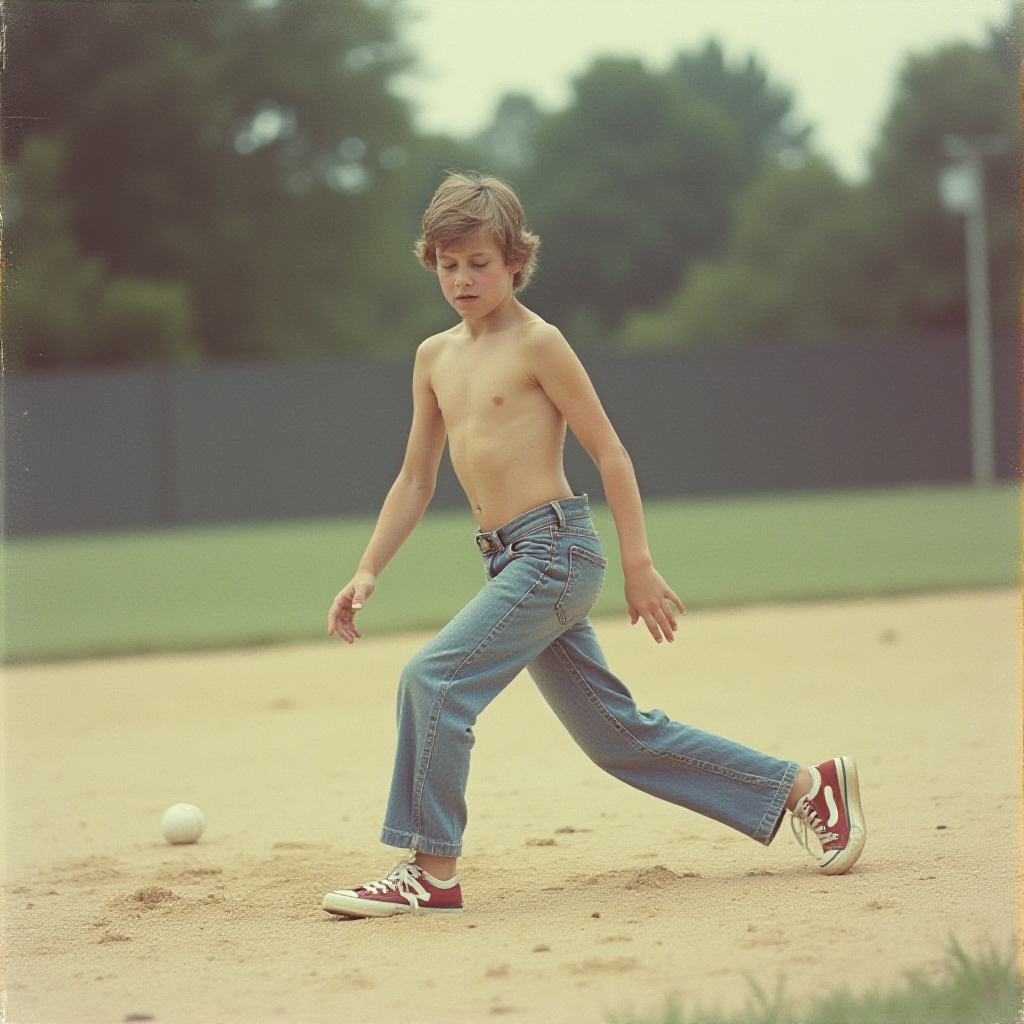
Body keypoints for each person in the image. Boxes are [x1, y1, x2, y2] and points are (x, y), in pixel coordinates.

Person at [321, 171, 866, 919]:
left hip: (555, 553)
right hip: (508, 559)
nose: (462, 277)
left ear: (515, 260)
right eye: (448, 263)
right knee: (617, 738)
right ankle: (807, 788)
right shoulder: (433, 358)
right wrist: (367, 569)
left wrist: (637, 564)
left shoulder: (539, 342)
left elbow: (611, 453)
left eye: (478, 262)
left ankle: (430, 869)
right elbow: (414, 480)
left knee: (433, 681)